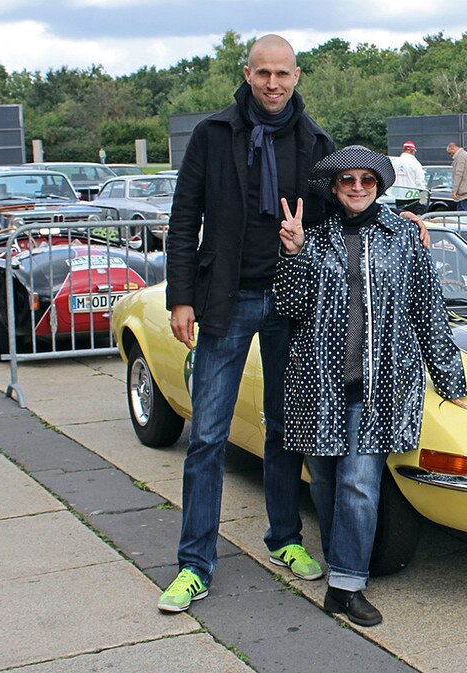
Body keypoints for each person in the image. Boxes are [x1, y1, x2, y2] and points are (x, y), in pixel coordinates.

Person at [159, 33, 337, 613]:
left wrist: (406, 219)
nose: (272, 84)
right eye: (262, 73)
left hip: (290, 301)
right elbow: (184, 218)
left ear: (297, 75)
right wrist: (180, 298)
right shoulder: (213, 135)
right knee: (208, 435)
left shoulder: (316, 144)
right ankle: (194, 565)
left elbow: (344, 218)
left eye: (282, 74)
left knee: (286, 429)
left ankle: (284, 540)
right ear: (247, 73)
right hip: (226, 300)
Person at [275, 145, 467, 627]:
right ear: (335, 188)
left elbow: (429, 311)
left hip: (381, 388)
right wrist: (294, 253)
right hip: (318, 386)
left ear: (379, 185)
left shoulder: (404, 236)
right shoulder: (316, 240)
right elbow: (291, 307)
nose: (357, 187)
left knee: (359, 484)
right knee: (323, 482)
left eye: (367, 179)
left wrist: (450, 378)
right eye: (348, 180)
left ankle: (346, 585)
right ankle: (343, 563)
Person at [447, 142, 467, 211]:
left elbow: (458, 173)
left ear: (453, 148)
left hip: (464, 192)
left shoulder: (460, 157)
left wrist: (454, 190)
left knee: (461, 213)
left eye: (449, 153)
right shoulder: (466, 155)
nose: (450, 155)